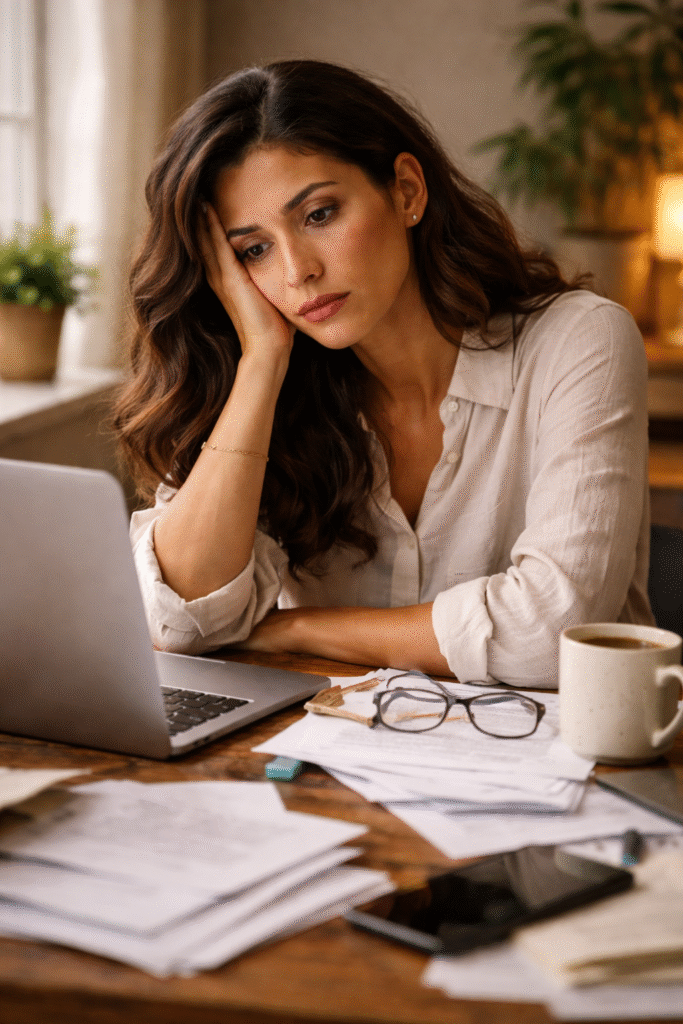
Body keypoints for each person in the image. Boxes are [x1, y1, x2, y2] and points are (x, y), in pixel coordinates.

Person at [113, 59, 653, 689]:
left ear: (406, 191)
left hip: (561, 766)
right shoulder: (268, 386)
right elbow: (179, 621)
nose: (297, 270)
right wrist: (261, 363)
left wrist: (294, 629)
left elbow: (552, 633)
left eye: (319, 215)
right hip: (324, 766)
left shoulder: (579, 342)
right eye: (253, 249)